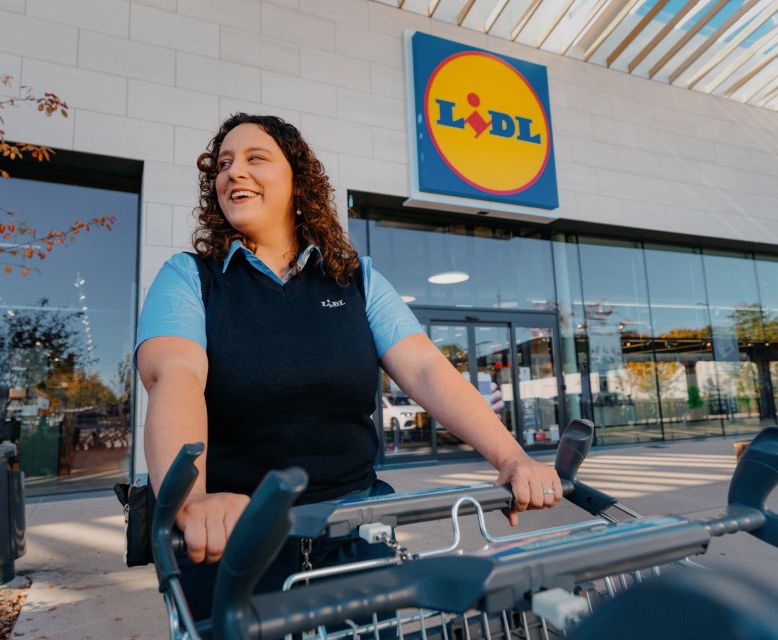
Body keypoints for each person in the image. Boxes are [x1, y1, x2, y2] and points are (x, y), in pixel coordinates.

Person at [135, 113, 563, 618]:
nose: (234, 172)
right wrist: (193, 500)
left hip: (354, 533)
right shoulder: (190, 278)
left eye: (255, 158)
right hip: (234, 538)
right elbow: (176, 377)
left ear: (297, 179)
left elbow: (425, 368)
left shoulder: (356, 280)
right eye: (224, 164)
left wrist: (512, 458)